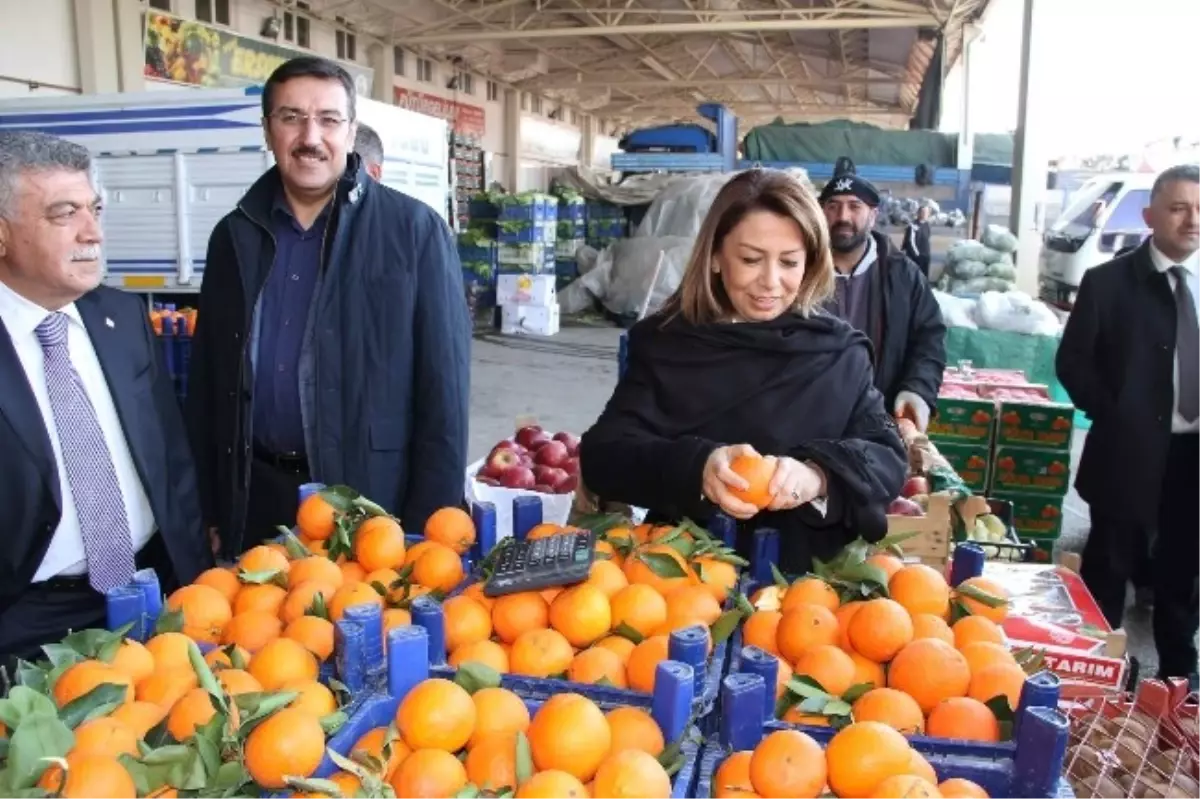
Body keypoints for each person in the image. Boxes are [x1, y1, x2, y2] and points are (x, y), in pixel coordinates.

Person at [187, 57, 470, 558]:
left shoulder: (414, 232)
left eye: (328, 120)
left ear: (351, 130)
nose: (309, 136)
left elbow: (443, 395)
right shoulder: (234, 237)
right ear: (268, 129)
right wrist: (210, 507)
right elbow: (209, 383)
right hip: (258, 496)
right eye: (291, 117)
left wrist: (430, 527)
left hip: (370, 500)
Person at [580, 169, 907, 573]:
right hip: (682, 583)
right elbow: (605, 454)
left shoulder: (839, 352)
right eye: (751, 259)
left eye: (789, 262)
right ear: (716, 257)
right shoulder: (669, 345)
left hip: (813, 595)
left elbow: (887, 456)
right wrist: (697, 467)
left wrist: (817, 475)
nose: (770, 282)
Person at [0, 131, 211, 668]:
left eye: (94, 209)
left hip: (154, 590)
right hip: (30, 622)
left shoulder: (120, 317)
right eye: (63, 213)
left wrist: (194, 570)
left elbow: (170, 456)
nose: (92, 233)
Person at [1056, 164, 1200, 682]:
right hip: (1126, 453)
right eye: (1179, 207)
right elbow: (1072, 363)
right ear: (1150, 215)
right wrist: (1117, 414)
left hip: (1192, 456)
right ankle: (1098, 674)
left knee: (1182, 576)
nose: (1192, 220)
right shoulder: (1108, 283)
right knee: (1109, 569)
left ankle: (1181, 682)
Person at [818, 171, 946, 431]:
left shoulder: (901, 275)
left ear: (873, 215)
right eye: (833, 206)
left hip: (880, 421)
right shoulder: (798, 271)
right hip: (809, 418)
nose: (843, 217)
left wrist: (917, 389)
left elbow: (928, 338)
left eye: (855, 206)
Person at [902, 204, 933, 279]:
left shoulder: (927, 225)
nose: (925, 214)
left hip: (926, 255)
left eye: (927, 212)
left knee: (924, 276)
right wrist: (917, 254)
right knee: (914, 276)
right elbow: (910, 242)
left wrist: (927, 253)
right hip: (915, 256)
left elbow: (927, 238)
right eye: (923, 212)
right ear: (919, 213)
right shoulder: (913, 226)